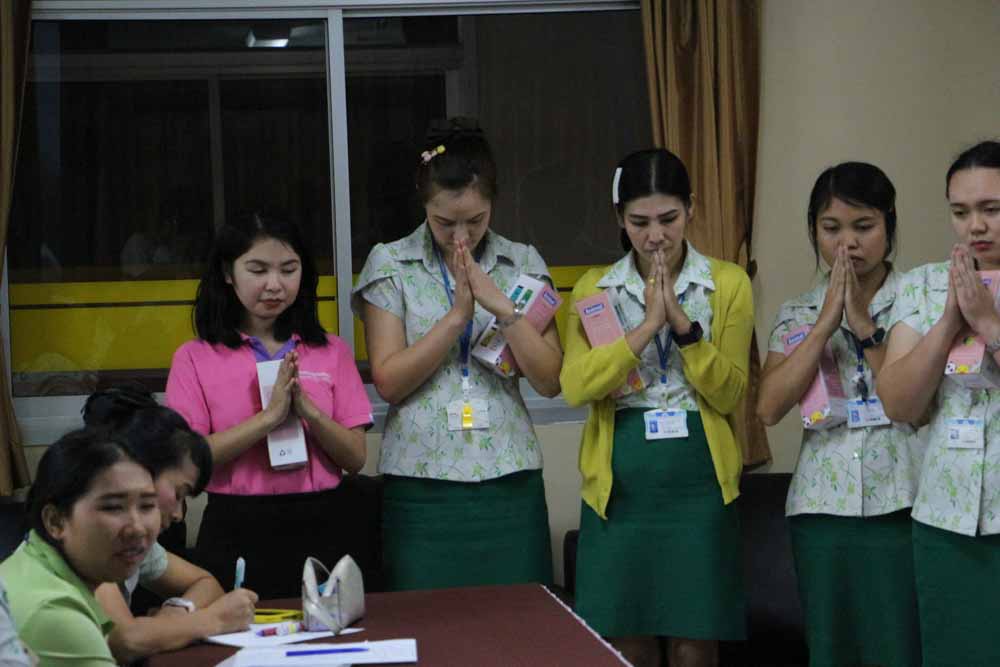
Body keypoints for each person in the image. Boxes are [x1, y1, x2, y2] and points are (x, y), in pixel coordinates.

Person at [560, 148, 751, 667]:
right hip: (620, 482)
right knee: (626, 636)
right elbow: (576, 385)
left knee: (696, 639)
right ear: (619, 218)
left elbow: (731, 393)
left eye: (669, 219)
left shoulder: (727, 283)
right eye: (639, 222)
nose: (656, 236)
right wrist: (646, 327)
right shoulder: (595, 287)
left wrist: (683, 327)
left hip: (699, 480)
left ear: (691, 208)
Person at [352, 119, 562, 590]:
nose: (461, 236)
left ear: (493, 204)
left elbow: (550, 380)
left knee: (519, 623)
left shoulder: (521, 262)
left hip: (509, 478)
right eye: (445, 223)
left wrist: (503, 309)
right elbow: (389, 381)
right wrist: (457, 317)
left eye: (476, 220)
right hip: (421, 483)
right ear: (424, 203)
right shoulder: (391, 263)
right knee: (426, 624)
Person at [756, 162, 923, 667]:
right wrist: (826, 323)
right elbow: (768, 407)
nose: (847, 243)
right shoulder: (798, 312)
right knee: (832, 649)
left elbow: (917, 404)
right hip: (822, 509)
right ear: (814, 231)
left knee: (901, 646)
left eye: (863, 226)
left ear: (889, 225)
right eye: (831, 228)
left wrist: (865, 326)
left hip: (904, 502)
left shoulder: (920, 299)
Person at [166, 212, 373, 598]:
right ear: (228, 273)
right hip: (234, 525)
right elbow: (188, 459)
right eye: (258, 270)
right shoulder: (195, 357)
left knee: (326, 634)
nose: (274, 285)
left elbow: (356, 458)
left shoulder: (330, 350)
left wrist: (308, 411)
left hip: (323, 522)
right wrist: (268, 419)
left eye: (288, 269)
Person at [879, 140, 1000, 666]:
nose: (976, 226)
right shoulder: (924, 285)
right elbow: (898, 403)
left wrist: (989, 323)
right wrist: (950, 319)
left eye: (992, 209)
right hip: (945, 522)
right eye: (961, 211)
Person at [82, 388, 257, 663]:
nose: (177, 514)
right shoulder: (93, 536)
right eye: (178, 493)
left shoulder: (135, 541)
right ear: (141, 471)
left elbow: (206, 583)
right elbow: (126, 640)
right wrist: (213, 620)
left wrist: (177, 611)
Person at [0, 429, 159, 666]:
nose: (137, 528)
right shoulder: (54, 613)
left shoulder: (34, 557)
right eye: (112, 507)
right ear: (55, 521)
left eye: (147, 506)